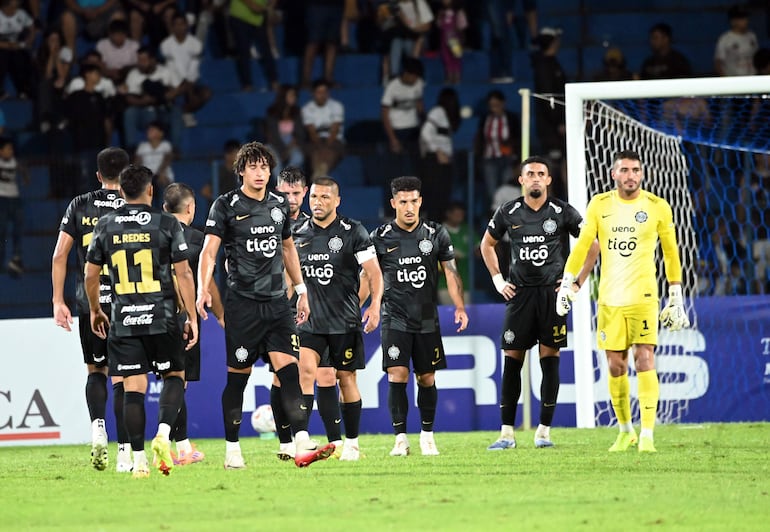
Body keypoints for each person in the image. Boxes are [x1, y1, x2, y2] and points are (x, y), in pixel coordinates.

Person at [196, 141, 335, 469]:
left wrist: (301, 289)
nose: (259, 173)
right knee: (238, 379)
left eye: (264, 167)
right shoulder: (225, 205)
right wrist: (204, 289)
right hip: (243, 306)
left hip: (277, 305)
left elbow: (288, 249)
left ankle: (301, 442)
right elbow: (208, 252)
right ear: (241, 170)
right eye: (253, 167)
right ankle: (232, 450)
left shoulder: (277, 205)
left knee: (290, 371)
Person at [556, 150, 690, 453]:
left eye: (636, 170)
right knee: (616, 365)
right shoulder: (599, 205)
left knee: (645, 358)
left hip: (643, 296)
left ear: (641, 174)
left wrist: (675, 294)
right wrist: (568, 283)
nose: (631, 175)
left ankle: (647, 435)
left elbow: (671, 252)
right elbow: (583, 246)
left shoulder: (657, 207)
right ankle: (625, 430)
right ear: (613, 174)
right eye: (625, 170)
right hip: (609, 299)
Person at [84, 164, 198, 478]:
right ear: (150, 190)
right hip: (162, 317)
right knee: (175, 376)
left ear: (121, 191)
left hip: (124, 320)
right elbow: (184, 273)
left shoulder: (105, 225)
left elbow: (90, 274)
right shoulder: (166, 224)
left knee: (132, 388)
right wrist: (189, 314)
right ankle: (163, 434)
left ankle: (138, 460)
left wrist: (95, 310)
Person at [480, 156, 598, 450]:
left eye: (540, 174)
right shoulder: (509, 211)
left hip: (551, 294)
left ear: (548, 180)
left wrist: (576, 282)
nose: (535, 178)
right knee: (512, 360)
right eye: (529, 173)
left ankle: (543, 432)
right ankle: (507, 433)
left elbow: (592, 245)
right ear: (521, 180)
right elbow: (487, 245)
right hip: (519, 295)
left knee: (550, 360)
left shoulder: (561, 211)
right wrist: (497, 279)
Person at [367, 175, 468, 456]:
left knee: (426, 377)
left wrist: (459, 307)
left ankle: (427, 435)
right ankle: (400, 438)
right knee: (397, 374)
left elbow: (451, 272)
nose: (409, 207)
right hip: (394, 317)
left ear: (420, 201)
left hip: (426, 318)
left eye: (413, 201)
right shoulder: (380, 237)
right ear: (394, 203)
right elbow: (370, 277)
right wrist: (368, 307)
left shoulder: (436, 234)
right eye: (403, 202)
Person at [51, 148, 132, 472]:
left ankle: (97, 426)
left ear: (98, 175)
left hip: (91, 302)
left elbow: (60, 255)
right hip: (130, 302)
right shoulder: (135, 203)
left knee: (96, 370)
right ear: (126, 173)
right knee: (126, 377)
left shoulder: (79, 204)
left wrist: (59, 301)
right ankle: (126, 451)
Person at [293, 176, 384, 461]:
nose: (318, 203)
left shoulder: (353, 231)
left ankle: (352, 444)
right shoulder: (297, 232)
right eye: (314, 198)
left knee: (346, 379)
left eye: (324, 198)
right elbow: (287, 271)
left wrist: (374, 306)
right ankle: (303, 439)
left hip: (343, 320)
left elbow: (374, 273)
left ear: (337, 200)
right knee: (305, 373)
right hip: (309, 320)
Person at [162, 182, 224, 466]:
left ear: (164, 208)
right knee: (178, 382)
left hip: (151, 314)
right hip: (183, 317)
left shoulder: (154, 232)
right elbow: (206, 281)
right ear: (191, 208)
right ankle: (182, 446)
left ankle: (132, 450)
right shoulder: (198, 238)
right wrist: (221, 315)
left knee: (165, 382)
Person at [271, 164, 309, 460]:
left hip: (309, 309)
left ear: (305, 192)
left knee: (313, 373)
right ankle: (287, 441)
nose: (291, 198)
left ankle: (303, 438)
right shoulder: (266, 220)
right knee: (282, 374)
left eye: (296, 193)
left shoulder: (314, 225)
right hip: (276, 309)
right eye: (285, 192)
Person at [159, 11, 211, 128]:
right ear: (172, 26)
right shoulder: (165, 45)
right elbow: (169, 67)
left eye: (181, 24)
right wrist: (179, 84)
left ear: (186, 25)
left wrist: (188, 82)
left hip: (192, 80)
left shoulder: (196, 44)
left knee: (206, 93)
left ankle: (185, 111)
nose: (179, 27)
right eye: (176, 24)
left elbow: (194, 65)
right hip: (173, 80)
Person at [419, 87, 460, 222]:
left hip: (445, 162)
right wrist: (437, 151)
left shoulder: (447, 117)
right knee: (435, 199)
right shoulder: (438, 111)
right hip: (435, 161)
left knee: (443, 199)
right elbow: (426, 132)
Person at [474, 89, 520, 206]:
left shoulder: (511, 118)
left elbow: (518, 137)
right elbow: (481, 137)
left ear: (503, 103)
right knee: (492, 191)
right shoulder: (485, 118)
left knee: (508, 189)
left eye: (497, 105)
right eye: (491, 105)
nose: (494, 108)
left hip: (508, 158)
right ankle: (495, 218)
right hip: (489, 158)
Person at [381, 56, 424, 179]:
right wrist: (392, 138)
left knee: (414, 166)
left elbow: (419, 103)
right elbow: (384, 114)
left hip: (413, 130)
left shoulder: (419, 83)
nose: (415, 79)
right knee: (397, 168)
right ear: (406, 73)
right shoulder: (392, 87)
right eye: (413, 76)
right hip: (397, 130)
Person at [228, 0, 278, 92]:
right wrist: (252, 5)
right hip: (240, 16)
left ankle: (274, 82)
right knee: (244, 51)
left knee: (266, 50)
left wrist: (270, 8)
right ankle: (247, 85)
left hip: (258, 19)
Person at [301, 78, 345, 179]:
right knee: (315, 153)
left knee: (330, 152)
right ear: (313, 93)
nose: (322, 95)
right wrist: (321, 147)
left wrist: (326, 147)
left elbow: (335, 129)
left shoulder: (337, 106)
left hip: (335, 140)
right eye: (319, 92)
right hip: (315, 140)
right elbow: (312, 132)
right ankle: (320, 176)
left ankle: (320, 175)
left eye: (325, 92)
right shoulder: (307, 109)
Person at [300, 0, 343, 88]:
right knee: (313, 42)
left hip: (336, 6)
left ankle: (328, 79)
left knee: (332, 42)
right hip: (316, 6)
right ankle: (306, 80)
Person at [0, 0, 38, 99]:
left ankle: (23, 90)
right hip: (2, 48)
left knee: (20, 58)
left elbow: (32, 27)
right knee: (3, 57)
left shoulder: (21, 14)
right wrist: (8, 45)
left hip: (16, 46)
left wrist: (28, 41)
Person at [265, 84, 306, 175]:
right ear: (283, 96)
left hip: (292, 143)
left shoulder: (297, 112)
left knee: (298, 157)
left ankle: (285, 177)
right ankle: (279, 182)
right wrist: (282, 150)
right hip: (275, 143)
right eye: (291, 95)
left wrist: (289, 149)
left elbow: (300, 134)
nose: (294, 98)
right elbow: (273, 135)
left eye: (295, 95)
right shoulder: (272, 112)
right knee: (273, 157)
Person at [0, 136, 26, 276]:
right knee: (2, 231)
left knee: (18, 228)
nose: (10, 151)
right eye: (7, 149)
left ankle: (16, 256)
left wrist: (24, 174)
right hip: (1, 200)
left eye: (12, 149)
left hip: (14, 198)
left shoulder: (15, 162)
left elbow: (26, 177)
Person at [714, 5, 758, 77]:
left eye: (746, 17)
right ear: (733, 21)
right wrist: (726, 80)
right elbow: (718, 63)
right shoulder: (725, 39)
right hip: (734, 80)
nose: (745, 20)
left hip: (751, 78)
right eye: (741, 18)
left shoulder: (752, 36)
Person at [436, 0, 467, 84]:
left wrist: (459, 31)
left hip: (454, 38)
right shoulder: (441, 12)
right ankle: (449, 76)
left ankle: (456, 76)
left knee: (456, 57)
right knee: (446, 57)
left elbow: (463, 25)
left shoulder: (458, 11)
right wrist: (439, 17)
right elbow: (439, 24)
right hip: (444, 39)